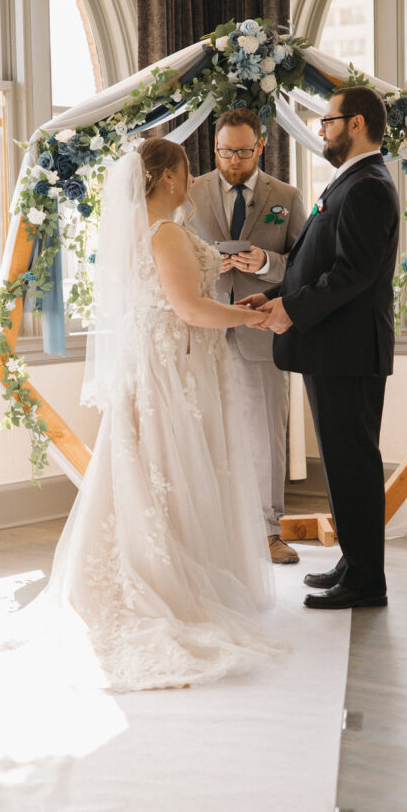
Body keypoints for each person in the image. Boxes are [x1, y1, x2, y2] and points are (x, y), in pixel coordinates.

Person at [44, 138, 283, 690]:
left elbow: (178, 301)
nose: (192, 177)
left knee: (152, 470)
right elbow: (190, 309)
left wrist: (235, 309)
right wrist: (251, 319)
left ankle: (156, 565)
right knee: (171, 471)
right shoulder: (166, 231)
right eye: (187, 169)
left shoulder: (137, 231)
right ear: (170, 179)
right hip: (174, 369)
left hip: (161, 361)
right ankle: (169, 578)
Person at [240, 86, 400, 610]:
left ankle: (366, 581)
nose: (322, 128)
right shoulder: (350, 181)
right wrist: (276, 294)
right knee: (340, 461)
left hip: (347, 351)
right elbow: (319, 262)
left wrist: (292, 309)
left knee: (353, 461)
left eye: (328, 120)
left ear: (355, 124)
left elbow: (353, 274)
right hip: (331, 347)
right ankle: (354, 561)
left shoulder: (369, 185)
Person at [190, 109, 307, 564]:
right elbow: (168, 249)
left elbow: (303, 264)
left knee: (265, 435)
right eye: (224, 151)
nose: (232, 160)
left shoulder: (288, 196)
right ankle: (212, 532)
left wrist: (264, 264)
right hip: (204, 330)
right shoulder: (191, 191)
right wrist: (205, 266)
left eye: (241, 151)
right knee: (202, 431)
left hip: (261, 330)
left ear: (260, 146)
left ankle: (267, 532)